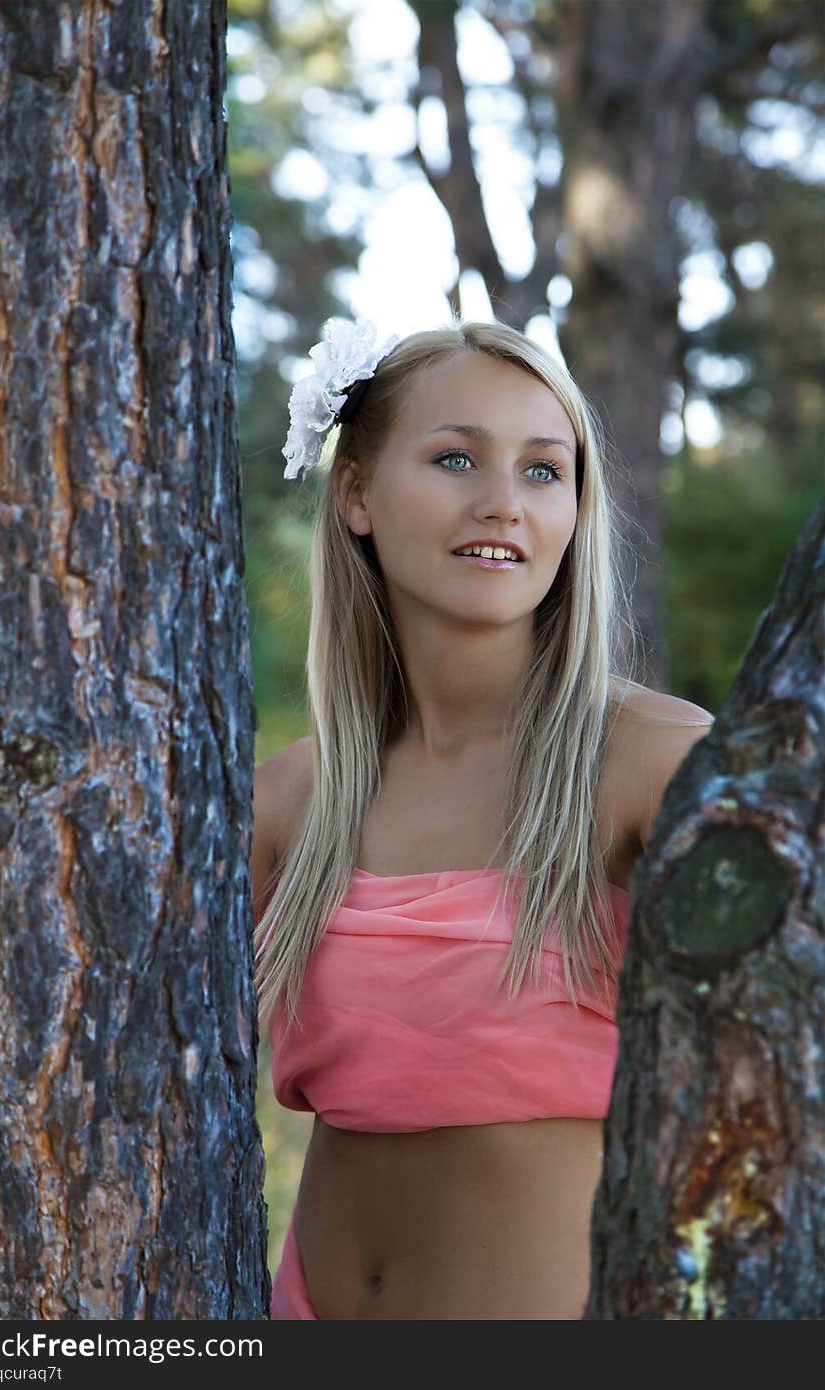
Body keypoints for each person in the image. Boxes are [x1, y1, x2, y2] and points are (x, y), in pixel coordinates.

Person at [251, 316, 714, 1320]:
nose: (503, 502)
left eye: (544, 471)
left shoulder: (650, 761)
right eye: (456, 457)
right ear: (357, 492)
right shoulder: (287, 799)